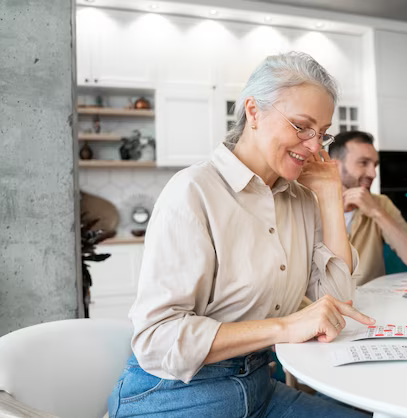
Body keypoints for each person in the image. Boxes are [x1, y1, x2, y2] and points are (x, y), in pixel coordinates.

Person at [107, 52, 376, 418]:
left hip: (257, 388)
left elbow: (338, 303)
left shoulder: (301, 200)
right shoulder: (193, 191)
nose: (315, 146)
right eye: (301, 127)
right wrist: (283, 327)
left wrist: (330, 197)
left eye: (323, 135)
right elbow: (156, 340)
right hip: (173, 394)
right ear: (253, 112)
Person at [328, 131, 407, 285]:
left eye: (375, 165)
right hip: (319, 307)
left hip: (369, 307)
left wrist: (377, 212)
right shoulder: (307, 205)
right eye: (363, 163)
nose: (373, 173)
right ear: (334, 166)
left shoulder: (380, 203)